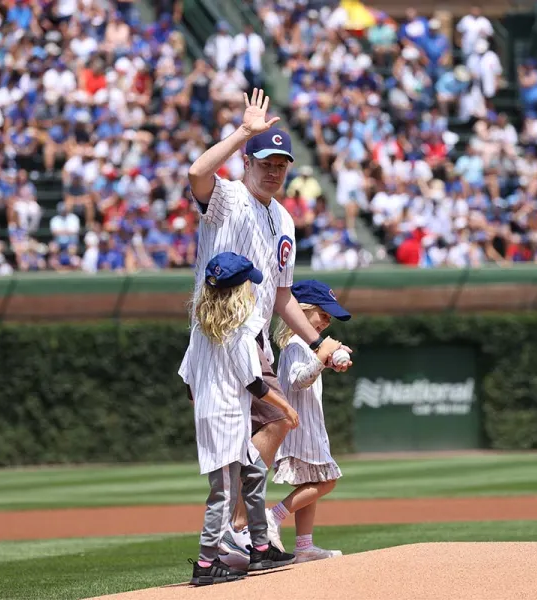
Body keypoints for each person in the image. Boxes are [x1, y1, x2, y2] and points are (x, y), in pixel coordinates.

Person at [182, 88, 353, 561]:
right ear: (246, 162)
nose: (274, 170)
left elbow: (282, 297)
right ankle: (236, 530)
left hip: (254, 338)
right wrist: (243, 132)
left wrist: (322, 342)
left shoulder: (284, 220)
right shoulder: (227, 198)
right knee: (276, 420)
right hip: (219, 337)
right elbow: (197, 173)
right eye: (265, 161)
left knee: (266, 428)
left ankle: (239, 532)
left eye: (281, 163)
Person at [182, 251, 299, 586]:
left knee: (254, 471)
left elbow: (188, 379)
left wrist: (203, 409)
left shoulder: (199, 331)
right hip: (226, 419)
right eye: (248, 283)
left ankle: (261, 546)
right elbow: (254, 383)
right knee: (224, 492)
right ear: (238, 290)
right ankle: (206, 564)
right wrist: (287, 409)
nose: (252, 289)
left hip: (218, 415)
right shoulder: (241, 330)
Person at [268, 279, 351, 563]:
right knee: (327, 481)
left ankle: (304, 546)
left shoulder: (306, 346)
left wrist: (332, 361)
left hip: (309, 428)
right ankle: (272, 516)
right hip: (300, 430)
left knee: (311, 484)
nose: (327, 322)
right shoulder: (294, 344)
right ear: (301, 311)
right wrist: (323, 356)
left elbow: (313, 369)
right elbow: (299, 380)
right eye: (323, 314)